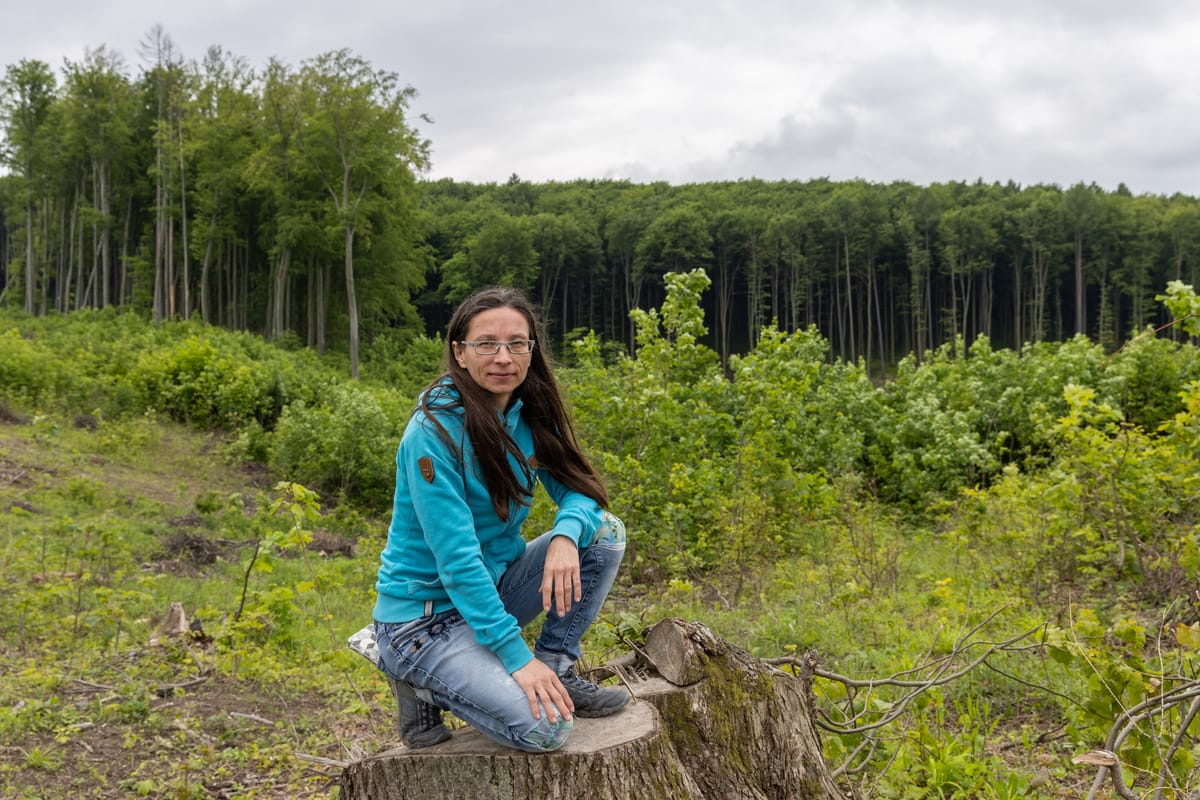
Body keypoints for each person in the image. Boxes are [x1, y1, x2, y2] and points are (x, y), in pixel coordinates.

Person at [372, 286, 630, 753]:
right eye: (487, 343)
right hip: (423, 622)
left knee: (604, 532)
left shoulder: (528, 412)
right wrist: (516, 658)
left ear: (532, 349)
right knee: (546, 729)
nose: (503, 357)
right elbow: (457, 562)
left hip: (490, 592)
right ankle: (417, 681)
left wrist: (565, 536)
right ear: (460, 352)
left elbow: (581, 491)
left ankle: (558, 667)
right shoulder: (432, 432)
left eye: (517, 343)